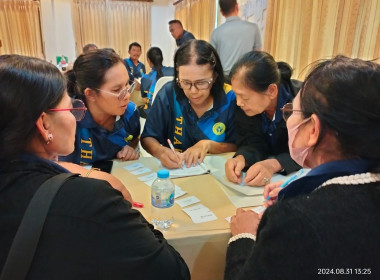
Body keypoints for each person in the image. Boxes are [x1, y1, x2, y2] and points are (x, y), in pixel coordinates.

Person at [0, 54, 190, 279]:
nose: (126, 95)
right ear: (43, 124)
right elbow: (172, 271)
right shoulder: (90, 200)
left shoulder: (128, 114)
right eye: (71, 108)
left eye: (128, 86)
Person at [224, 56, 380, 279]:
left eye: (292, 112)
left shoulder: (295, 220)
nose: (288, 120)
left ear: (313, 129)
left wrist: (243, 238)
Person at [141, 40, 237, 169]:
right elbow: (148, 137)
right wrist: (161, 152)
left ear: (214, 76)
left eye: (201, 82)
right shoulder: (170, 93)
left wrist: (208, 145)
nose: (193, 91)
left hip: (218, 173)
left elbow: (239, 145)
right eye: (185, 82)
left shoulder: (231, 98)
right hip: (178, 172)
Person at [225, 51, 301, 187]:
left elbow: (310, 149)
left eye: (245, 97)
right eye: (236, 95)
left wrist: (275, 164)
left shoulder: (302, 102)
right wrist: (242, 157)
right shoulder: (244, 106)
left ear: (271, 91)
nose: (238, 102)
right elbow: (252, 140)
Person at [60, 49, 140, 165]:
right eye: (117, 90)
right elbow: (59, 166)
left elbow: (134, 140)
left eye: (127, 84)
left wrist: (130, 149)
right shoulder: (70, 120)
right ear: (91, 94)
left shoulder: (130, 112)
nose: (127, 95)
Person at [210, 0, 261, 83]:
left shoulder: (216, 32)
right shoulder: (253, 28)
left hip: (224, 79)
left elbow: (212, 59)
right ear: (237, 7)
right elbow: (257, 55)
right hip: (247, 78)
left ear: (221, 12)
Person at [139, 46, 174, 117]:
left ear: (149, 60)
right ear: (162, 58)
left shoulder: (145, 78)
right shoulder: (173, 71)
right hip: (171, 111)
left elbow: (145, 99)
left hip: (153, 114)